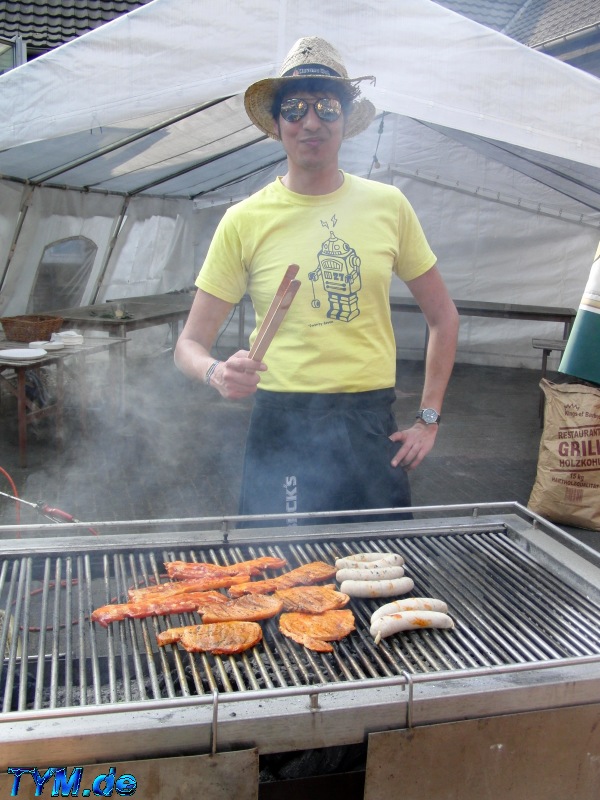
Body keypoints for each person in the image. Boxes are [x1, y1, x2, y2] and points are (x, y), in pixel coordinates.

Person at [175, 36, 459, 526]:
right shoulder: (244, 220)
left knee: (380, 574)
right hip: (282, 425)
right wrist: (217, 372)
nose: (311, 121)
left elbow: (443, 317)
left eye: (328, 106)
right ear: (278, 124)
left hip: (369, 425)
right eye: (295, 107)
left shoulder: (388, 206)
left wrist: (428, 419)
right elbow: (189, 344)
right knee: (278, 581)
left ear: (346, 120)